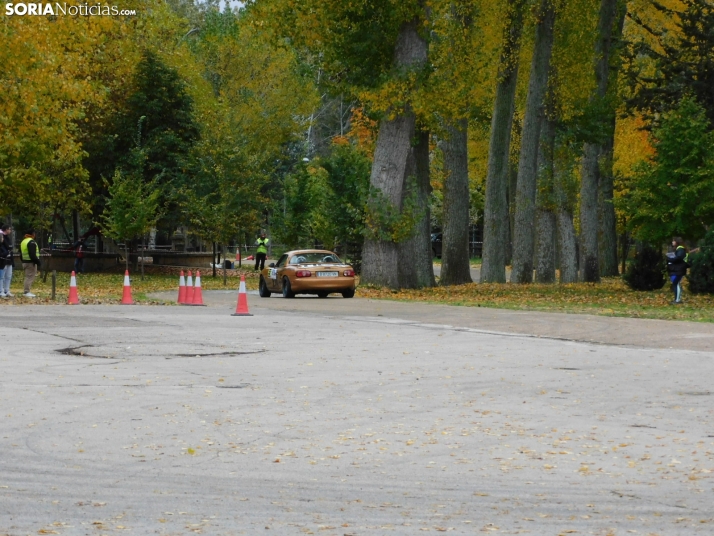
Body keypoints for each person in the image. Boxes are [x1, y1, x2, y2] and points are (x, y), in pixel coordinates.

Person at [666, 237, 690, 304]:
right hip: (678, 269)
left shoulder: (680, 249)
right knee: (676, 283)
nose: (672, 242)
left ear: (677, 242)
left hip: (679, 269)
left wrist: (669, 259)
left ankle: (677, 300)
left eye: (673, 241)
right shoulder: (679, 249)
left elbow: (678, 258)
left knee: (676, 283)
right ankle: (677, 299)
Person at [19, 229, 41, 298]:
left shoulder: (23, 241)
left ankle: (26, 291)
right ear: (33, 234)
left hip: (25, 262)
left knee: (28, 276)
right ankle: (26, 292)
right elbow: (32, 254)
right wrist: (38, 262)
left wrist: (23, 260)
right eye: (34, 233)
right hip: (31, 263)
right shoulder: (31, 242)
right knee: (29, 277)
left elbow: (20, 253)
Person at [1, 224, 14, 297]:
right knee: (2, 276)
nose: (10, 230)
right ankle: (1, 290)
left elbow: (10, 247)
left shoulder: (7, 238)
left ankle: (7, 289)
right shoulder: (2, 237)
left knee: (8, 276)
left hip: (9, 259)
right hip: (3, 259)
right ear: (6, 229)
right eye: (9, 229)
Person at [0, 233, 7, 298]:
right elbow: (2, 254)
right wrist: (6, 253)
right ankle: (0, 291)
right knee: (1, 278)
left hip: (2, 264)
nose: (3, 239)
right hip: (1, 264)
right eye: (2, 238)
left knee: (2, 278)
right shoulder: (1, 247)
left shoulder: (2, 246)